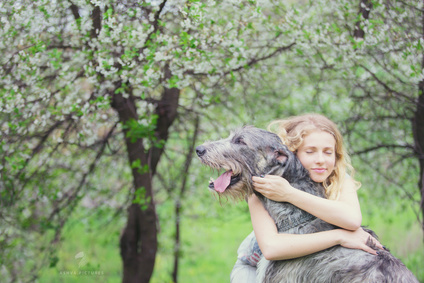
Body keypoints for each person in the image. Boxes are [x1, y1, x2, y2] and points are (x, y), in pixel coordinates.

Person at [230, 113, 383, 282]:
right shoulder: (266, 183)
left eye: (328, 152)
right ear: (291, 154)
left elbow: (352, 220)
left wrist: (290, 194)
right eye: (310, 152)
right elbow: (271, 248)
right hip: (255, 266)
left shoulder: (339, 178)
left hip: (305, 264)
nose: (320, 160)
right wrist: (341, 236)